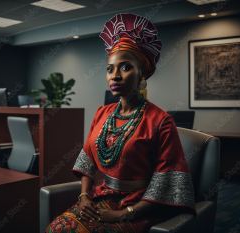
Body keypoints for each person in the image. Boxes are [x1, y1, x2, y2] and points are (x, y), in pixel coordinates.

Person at [45, 13, 196, 233]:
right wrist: (85, 196)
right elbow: (87, 160)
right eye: (110, 69)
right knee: (56, 229)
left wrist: (124, 214)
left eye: (125, 67)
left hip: (141, 205)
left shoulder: (161, 121)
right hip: (103, 196)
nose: (115, 76)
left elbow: (166, 183)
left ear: (142, 74)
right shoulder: (102, 113)